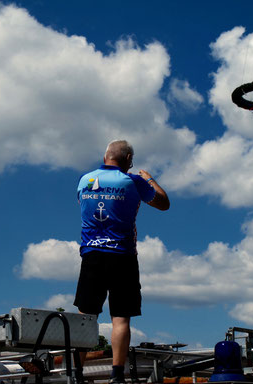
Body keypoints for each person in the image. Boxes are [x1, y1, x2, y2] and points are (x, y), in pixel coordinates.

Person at [74, 140, 169, 384]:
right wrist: (149, 179)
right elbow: (163, 203)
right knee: (121, 317)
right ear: (127, 158)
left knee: (86, 316)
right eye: (131, 160)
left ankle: (76, 373)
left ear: (106, 156)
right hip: (122, 255)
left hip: (92, 254)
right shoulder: (133, 181)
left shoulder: (85, 180)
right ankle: (117, 375)